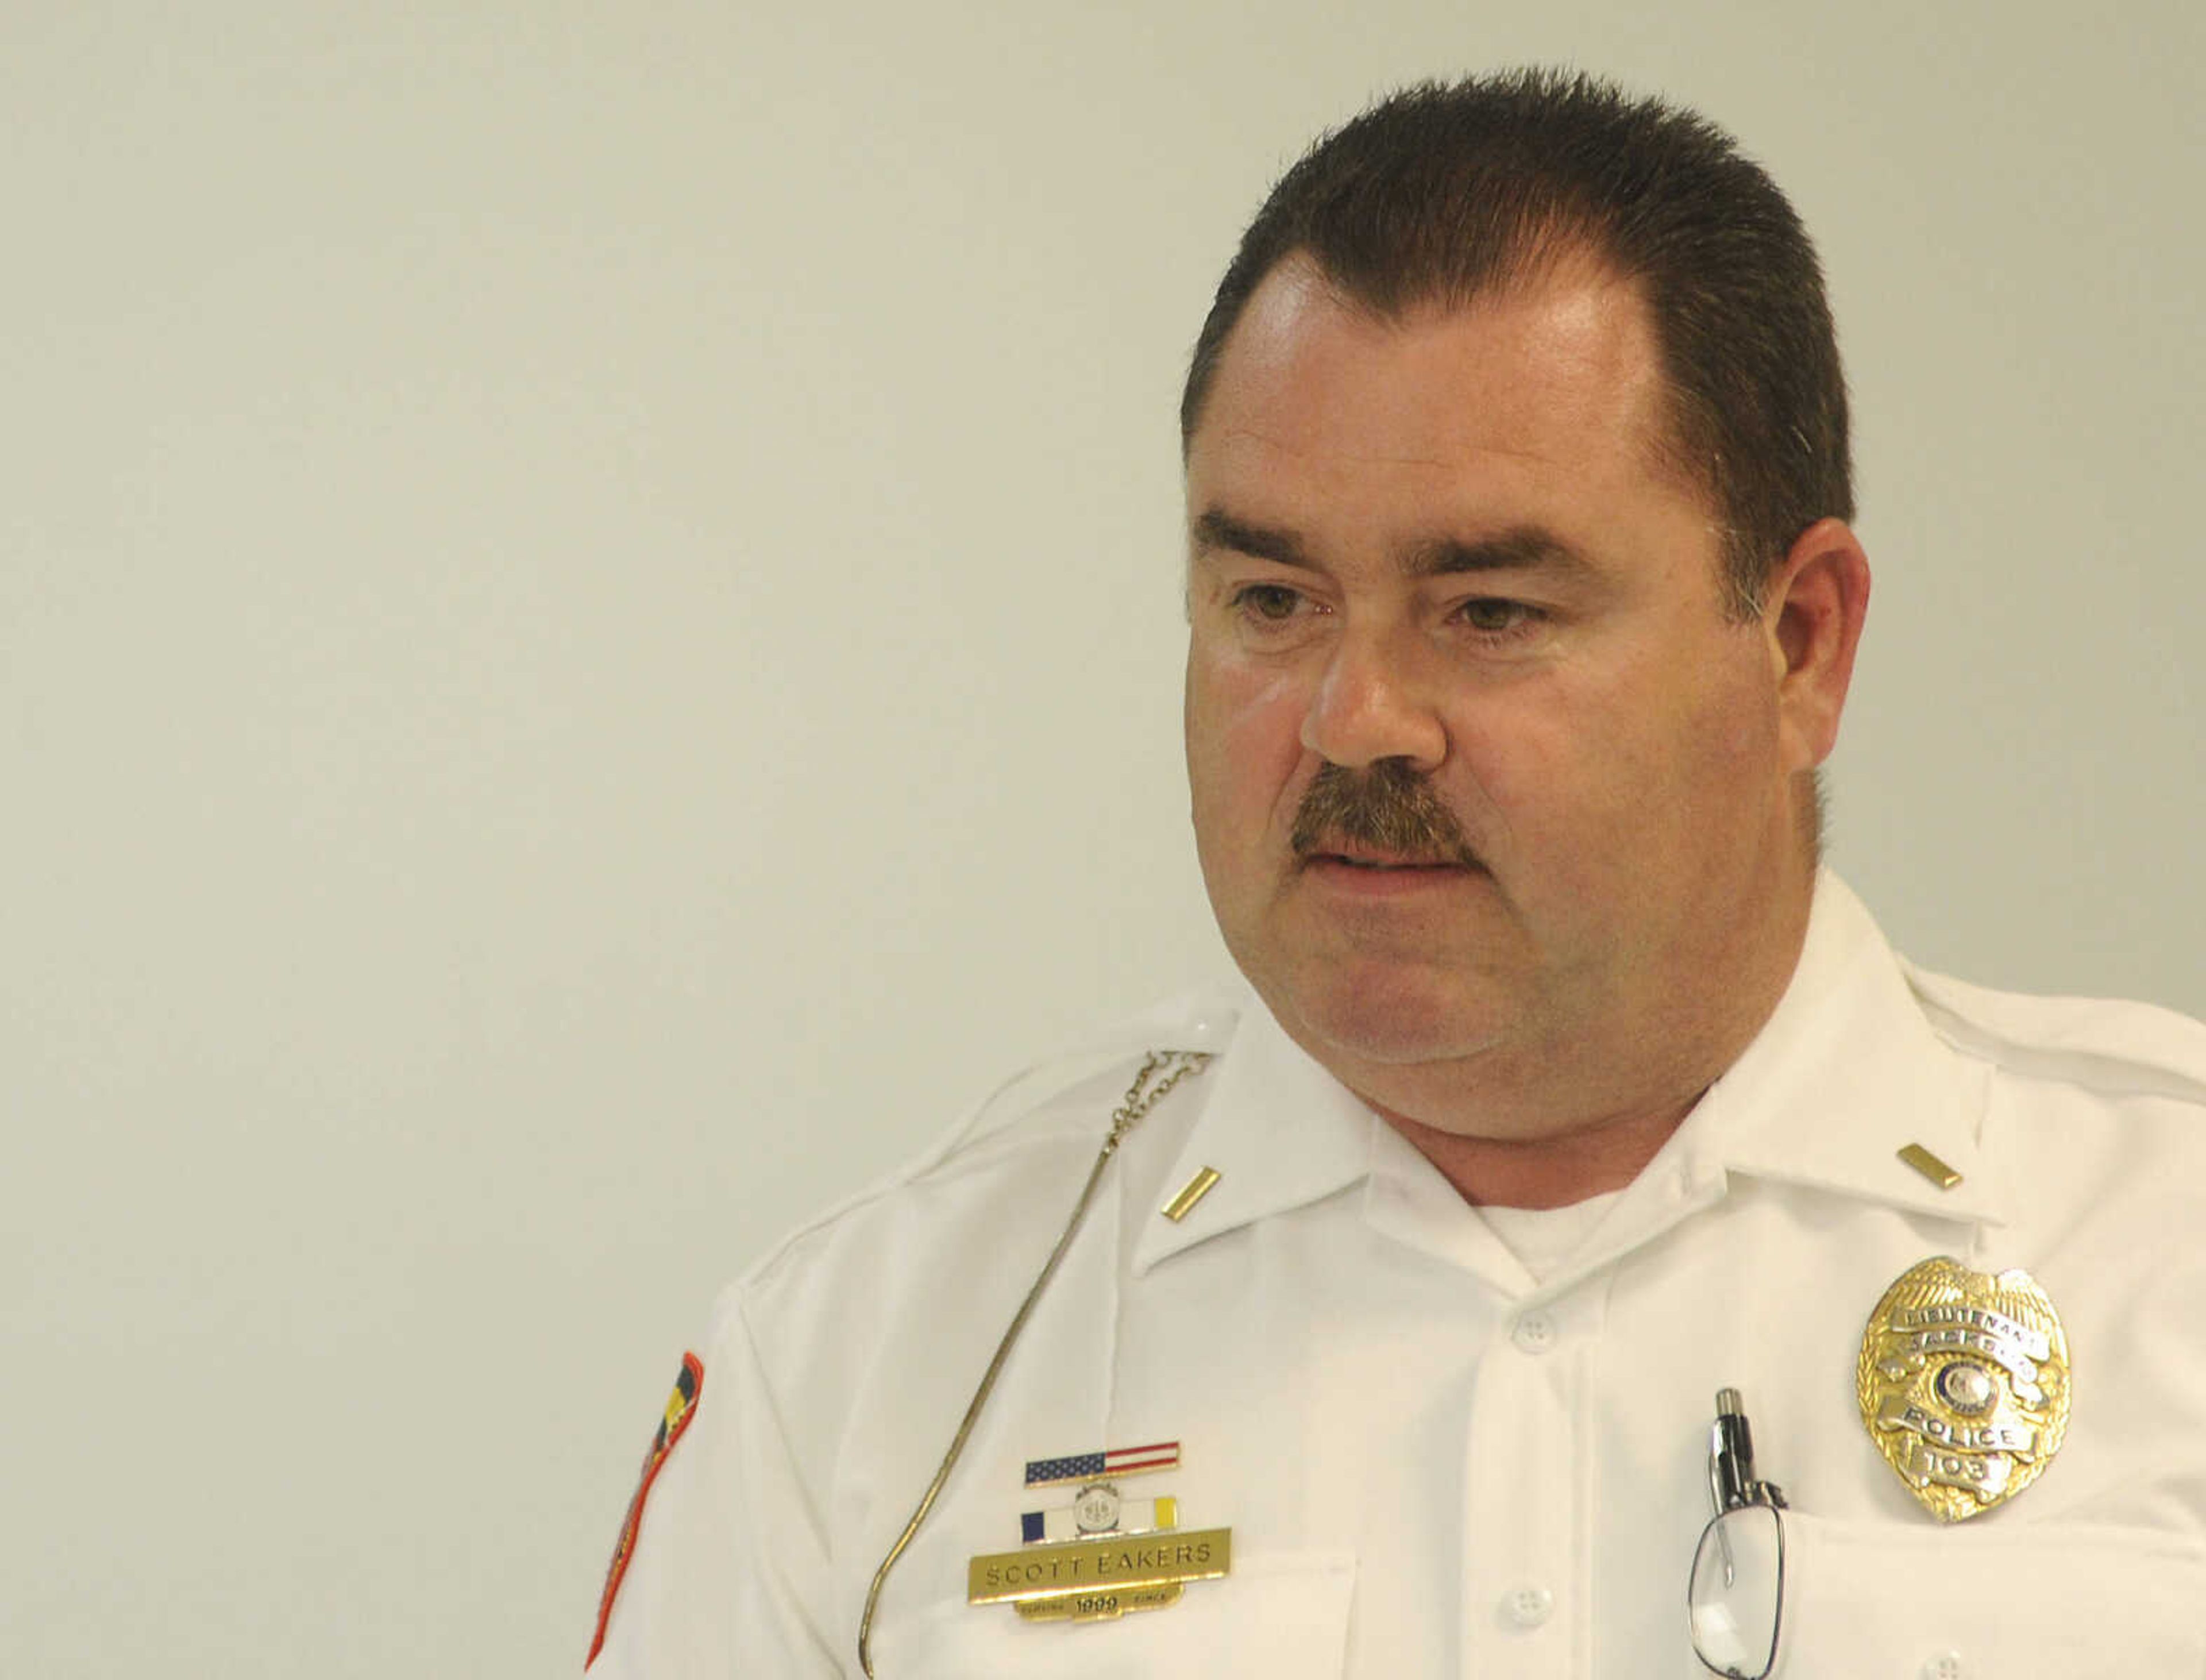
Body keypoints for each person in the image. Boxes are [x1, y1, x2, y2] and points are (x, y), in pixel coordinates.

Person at [583, 70, 2206, 1678]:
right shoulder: (874, 1366)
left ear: (1797, 644)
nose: (1357, 718)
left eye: (1490, 609)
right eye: (1275, 599)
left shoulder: (2163, 1250)